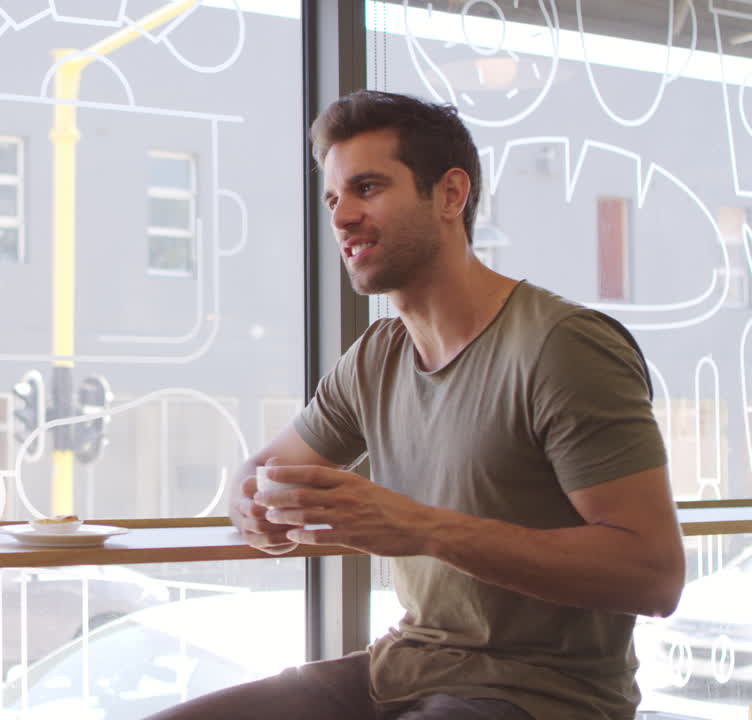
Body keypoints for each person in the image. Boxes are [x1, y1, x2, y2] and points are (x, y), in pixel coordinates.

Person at [150, 90, 686, 720]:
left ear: (451, 196)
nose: (342, 215)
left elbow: (652, 575)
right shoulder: (378, 355)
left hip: (543, 696)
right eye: (333, 198)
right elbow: (264, 469)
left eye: (368, 188)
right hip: (403, 667)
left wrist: (420, 527)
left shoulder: (562, 347)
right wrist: (254, 504)